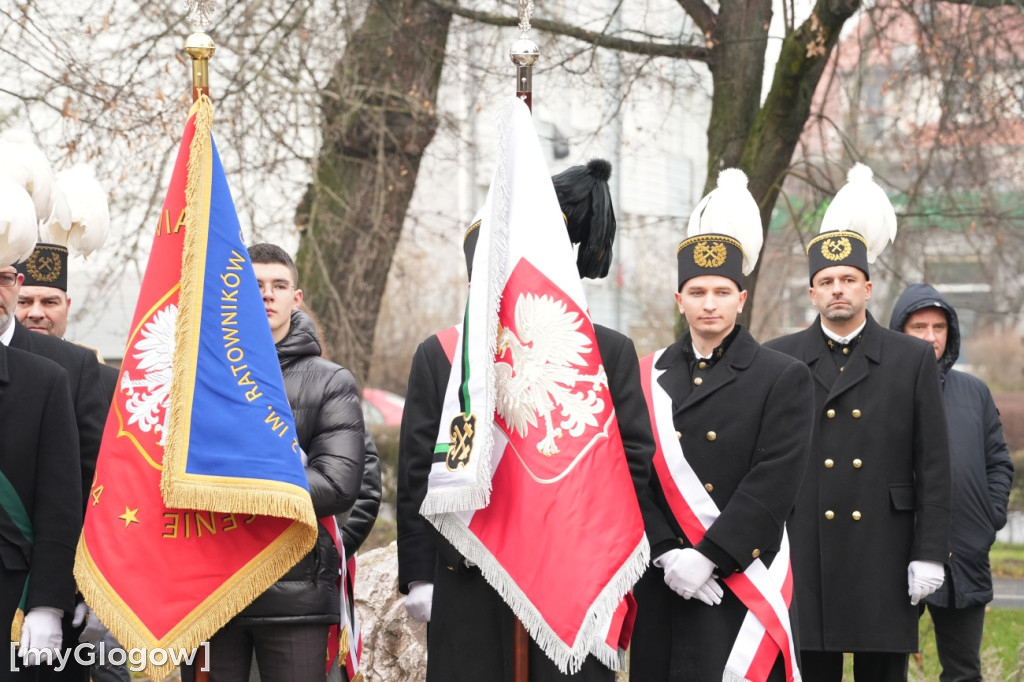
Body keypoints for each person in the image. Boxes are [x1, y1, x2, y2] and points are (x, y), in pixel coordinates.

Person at [396, 159, 654, 681]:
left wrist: (603, 554)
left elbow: (632, 465)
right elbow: (419, 470)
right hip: (468, 571)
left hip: (570, 573)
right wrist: (418, 575)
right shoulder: (442, 354)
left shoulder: (605, 350)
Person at [764, 164, 951, 682]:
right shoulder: (779, 358)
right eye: (827, 282)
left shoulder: (911, 358)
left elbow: (933, 464)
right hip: (805, 546)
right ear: (812, 294)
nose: (838, 290)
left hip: (884, 550)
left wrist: (930, 553)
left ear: (868, 288)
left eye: (848, 280)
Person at [629, 168, 814, 681]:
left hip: (741, 572)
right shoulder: (647, 375)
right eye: (696, 291)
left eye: (720, 291)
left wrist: (710, 556)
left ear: (741, 298)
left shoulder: (784, 376)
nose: (708, 303)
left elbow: (775, 480)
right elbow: (633, 475)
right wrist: (667, 553)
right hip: (664, 579)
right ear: (679, 300)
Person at [182, 243, 367, 682]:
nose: (266, 295)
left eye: (278, 285)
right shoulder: (197, 377)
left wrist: (244, 489)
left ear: (295, 298)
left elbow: (339, 484)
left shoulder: (331, 381)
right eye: (254, 284)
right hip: (211, 586)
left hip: (295, 591)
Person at [889, 283, 1014, 682]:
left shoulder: (974, 392)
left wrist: (988, 517)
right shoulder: (881, 392)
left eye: (939, 327)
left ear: (951, 332)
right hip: (896, 554)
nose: (930, 337)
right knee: (886, 667)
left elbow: (998, 462)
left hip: (965, 552)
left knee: (963, 671)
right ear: (899, 331)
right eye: (919, 326)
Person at [14, 243, 128, 682]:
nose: (37, 313)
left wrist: (89, 586)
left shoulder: (101, 379)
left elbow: (97, 487)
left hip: (65, 586)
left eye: (50, 302)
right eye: (26, 301)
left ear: (68, 306)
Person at [0, 264, 83, 680]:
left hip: (11, 593)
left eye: (3, 278)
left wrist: (50, 602)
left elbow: (62, 500)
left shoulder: (46, 379)